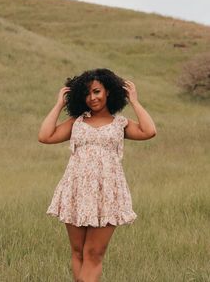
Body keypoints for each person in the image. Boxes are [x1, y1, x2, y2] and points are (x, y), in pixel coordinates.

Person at [38, 68, 157, 282]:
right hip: (76, 190)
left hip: (107, 193)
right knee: (77, 252)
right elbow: (45, 136)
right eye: (87, 94)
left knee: (93, 254)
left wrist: (135, 102)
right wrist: (59, 104)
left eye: (96, 91)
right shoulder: (77, 122)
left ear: (108, 92)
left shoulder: (121, 124)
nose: (92, 98)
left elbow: (149, 131)